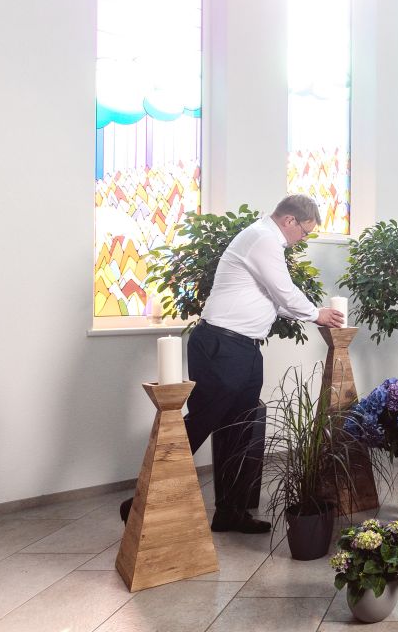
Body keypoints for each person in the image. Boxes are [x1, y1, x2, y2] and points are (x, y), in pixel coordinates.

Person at [120, 194, 345, 533]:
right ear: (289, 220)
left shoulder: (267, 241)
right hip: (221, 344)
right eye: (304, 231)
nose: (303, 238)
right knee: (202, 421)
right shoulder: (262, 238)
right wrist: (317, 314)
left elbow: (276, 301)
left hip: (245, 348)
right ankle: (139, 501)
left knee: (240, 430)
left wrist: (311, 314)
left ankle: (230, 512)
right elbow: (285, 292)